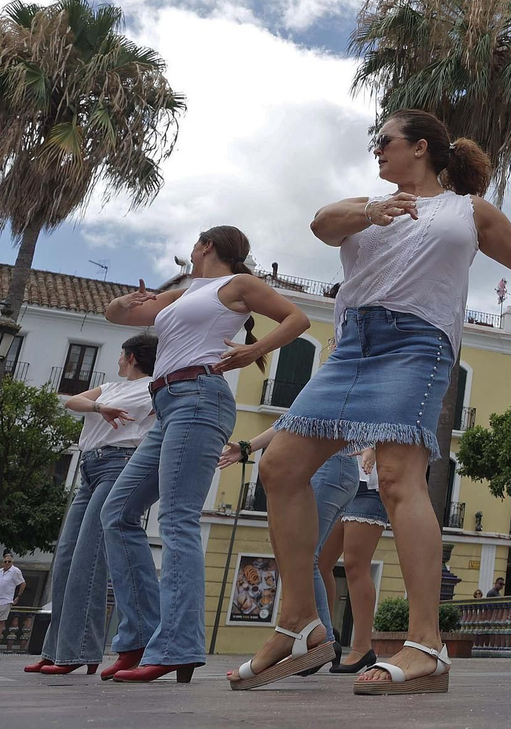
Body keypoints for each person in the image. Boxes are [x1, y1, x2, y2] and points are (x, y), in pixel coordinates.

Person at [239, 110, 511, 695]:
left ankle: (426, 644)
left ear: (420, 147)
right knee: (279, 465)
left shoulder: (467, 210)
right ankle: (298, 624)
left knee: (397, 479)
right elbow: (320, 224)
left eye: (384, 142)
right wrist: (371, 209)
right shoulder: (366, 207)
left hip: (418, 343)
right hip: (352, 345)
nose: (377, 152)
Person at [101, 226, 310, 684]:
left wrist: (253, 350)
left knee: (177, 518)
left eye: (196, 243)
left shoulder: (235, 285)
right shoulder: (181, 294)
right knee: (118, 513)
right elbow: (118, 317)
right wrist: (124, 304)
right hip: (167, 403)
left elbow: (297, 320)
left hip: (200, 397)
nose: (192, 249)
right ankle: (138, 638)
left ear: (207, 246)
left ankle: (176, 646)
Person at [29, 334, 159, 675]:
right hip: (88, 467)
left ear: (131, 357)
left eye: (121, 354)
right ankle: (59, 648)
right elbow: (71, 402)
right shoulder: (110, 388)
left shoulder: (153, 389)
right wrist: (101, 408)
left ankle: (74, 652)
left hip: (120, 463)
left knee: (89, 557)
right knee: (67, 555)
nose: (118, 359)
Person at [217, 429, 358, 676]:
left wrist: (248, 446)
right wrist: (247, 447)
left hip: (328, 466)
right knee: (310, 557)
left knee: (305, 557)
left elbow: (291, 420)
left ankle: (317, 638)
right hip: (341, 469)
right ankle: (316, 637)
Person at [321, 447, 390, 674]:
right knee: (320, 562)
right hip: (340, 479)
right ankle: (326, 638)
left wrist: (372, 448)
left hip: (368, 486)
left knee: (355, 565)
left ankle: (362, 647)